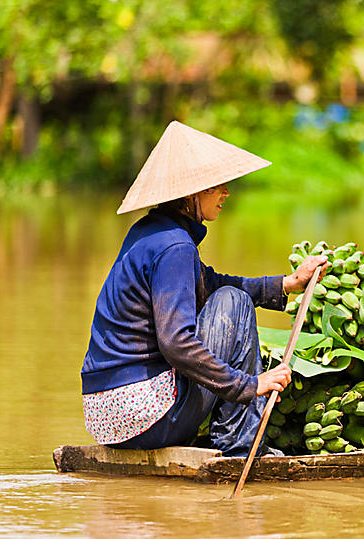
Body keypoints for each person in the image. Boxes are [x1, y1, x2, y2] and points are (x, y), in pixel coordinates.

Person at [80, 121, 327, 457]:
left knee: (228, 295)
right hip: (142, 415)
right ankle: (238, 445)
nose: (226, 192)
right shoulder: (175, 247)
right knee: (234, 302)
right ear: (192, 193)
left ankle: (222, 433)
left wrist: (288, 284)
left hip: (104, 416)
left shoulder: (149, 233)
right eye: (217, 186)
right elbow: (176, 342)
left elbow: (208, 283)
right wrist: (250, 386)